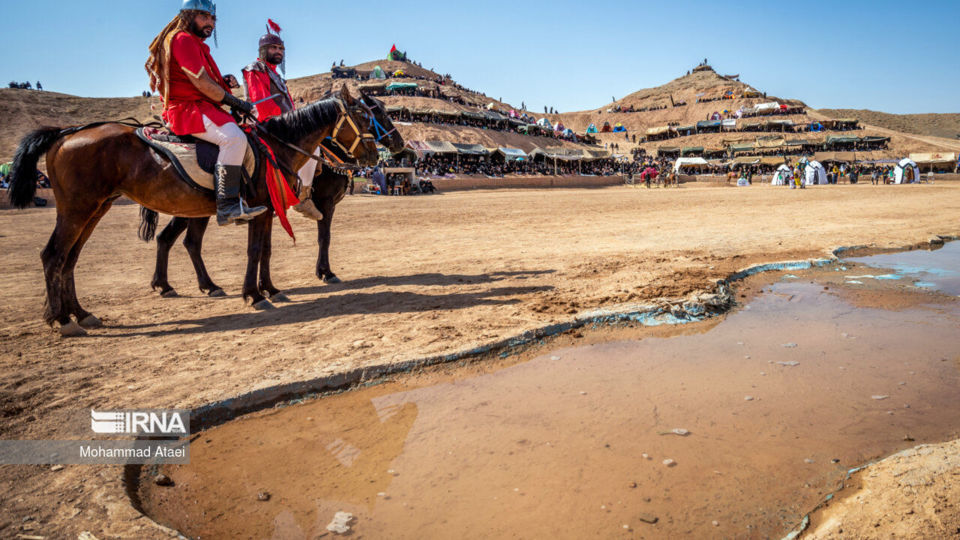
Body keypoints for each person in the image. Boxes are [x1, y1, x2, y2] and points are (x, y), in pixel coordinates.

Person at [145, 0, 266, 226]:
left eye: (212, 19)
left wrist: (225, 82)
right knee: (234, 139)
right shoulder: (183, 40)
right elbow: (202, 83)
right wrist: (236, 102)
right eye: (204, 16)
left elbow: (204, 82)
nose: (210, 22)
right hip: (187, 109)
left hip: (200, 106)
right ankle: (227, 205)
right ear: (188, 16)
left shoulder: (195, 43)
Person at [241, 20, 325, 220]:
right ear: (262, 50)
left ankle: (304, 195)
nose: (278, 51)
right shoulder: (255, 69)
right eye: (273, 47)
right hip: (264, 123)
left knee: (315, 145)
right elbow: (261, 102)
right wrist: (290, 122)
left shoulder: (278, 77)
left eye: (280, 48)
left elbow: (290, 106)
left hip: (282, 124)